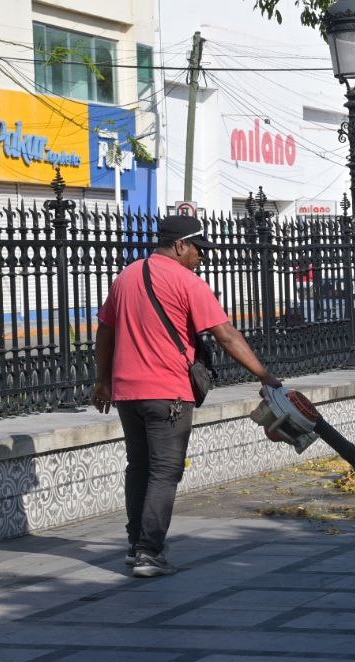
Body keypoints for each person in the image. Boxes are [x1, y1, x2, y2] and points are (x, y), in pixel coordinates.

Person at [91, 215, 281, 578]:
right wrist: (265, 375)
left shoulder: (126, 277)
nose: (202, 256)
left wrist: (102, 381)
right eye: (198, 249)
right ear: (180, 245)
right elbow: (226, 335)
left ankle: (135, 545)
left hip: (127, 392)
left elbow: (105, 332)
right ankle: (149, 552)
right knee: (165, 471)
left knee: (139, 466)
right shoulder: (187, 282)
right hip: (169, 394)